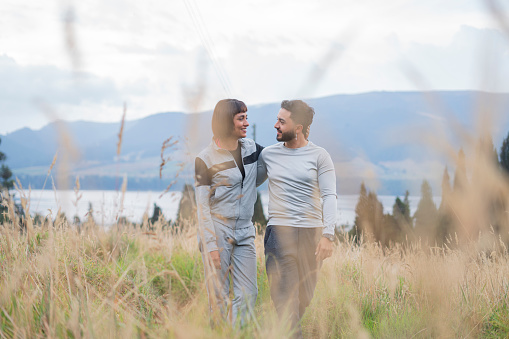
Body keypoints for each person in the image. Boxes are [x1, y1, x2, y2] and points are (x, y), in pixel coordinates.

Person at [257, 99, 337, 338]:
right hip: (279, 235)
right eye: (277, 120)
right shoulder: (268, 155)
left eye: (282, 121)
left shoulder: (320, 156)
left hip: (311, 236)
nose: (276, 125)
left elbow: (329, 195)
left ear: (299, 127)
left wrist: (327, 235)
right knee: (285, 302)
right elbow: (247, 184)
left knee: (302, 300)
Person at [194, 99, 263, 327]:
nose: (246, 123)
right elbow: (202, 207)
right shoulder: (204, 159)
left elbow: (264, 170)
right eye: (241, 118)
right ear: (226, 122)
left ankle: (232, 332)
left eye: (246, 117)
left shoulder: (252, 148)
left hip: (245, 230)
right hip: (218, 230)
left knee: (249, 294)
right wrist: (211, 245)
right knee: (219, 297)